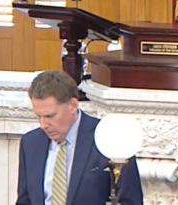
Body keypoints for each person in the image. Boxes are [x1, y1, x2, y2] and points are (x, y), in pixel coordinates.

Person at [16, 70, 143, 205]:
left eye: (50, 116)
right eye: (38, 116)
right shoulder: (30, 143)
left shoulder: (109, 138)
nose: (43, 125)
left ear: (72, 106)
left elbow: (131, 201)